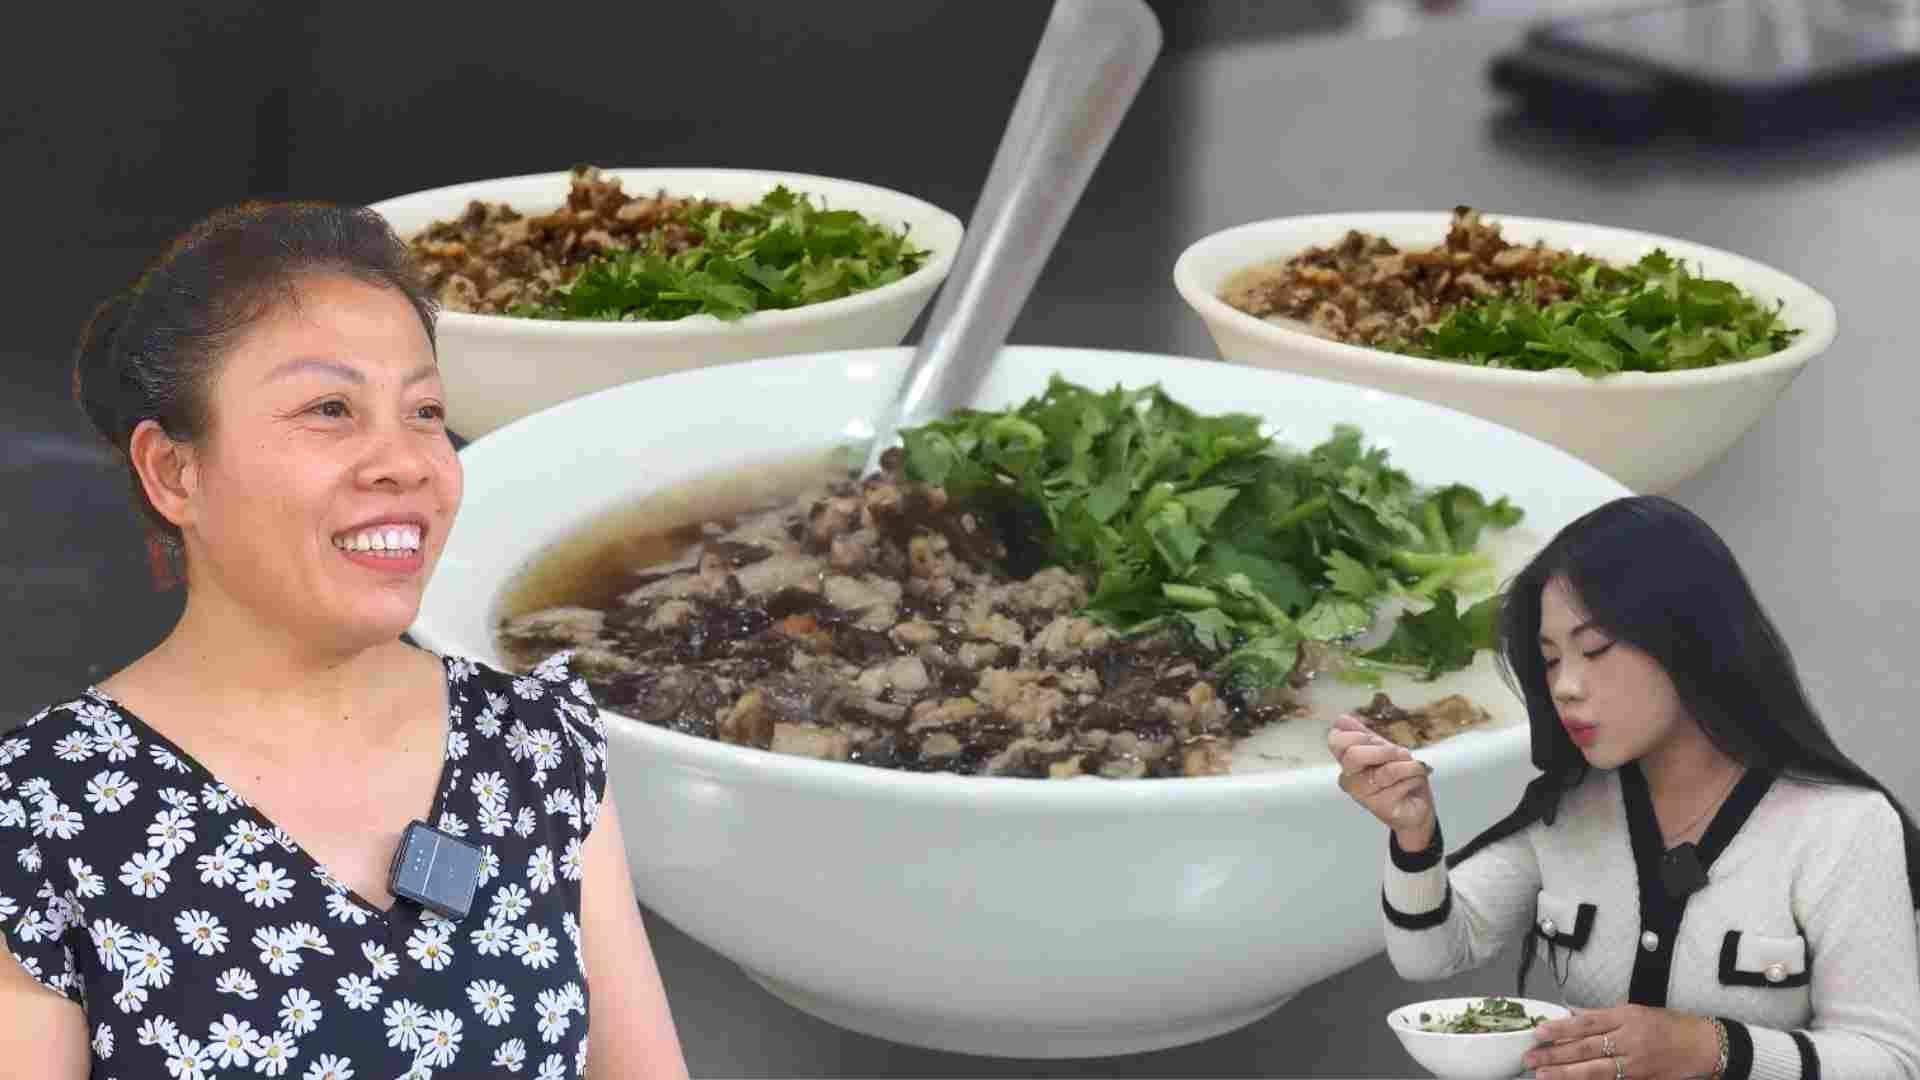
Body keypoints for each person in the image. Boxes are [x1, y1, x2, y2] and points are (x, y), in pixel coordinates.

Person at [0, 202, 690, 1079]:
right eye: (330, 408)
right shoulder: (42, 810)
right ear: (175, 471)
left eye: (427, 411)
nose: (404, 461)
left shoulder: (533, 746)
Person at [1330, 495, 1920, 1080]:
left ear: (1688, 639)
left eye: (1594, 649)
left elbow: (1891, 1061)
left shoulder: (1843, 826)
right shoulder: (1569, 810)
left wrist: (1708, 1049)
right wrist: (1413, 832)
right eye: (1551, 660)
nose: (1565, 686)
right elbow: (1430, 954)